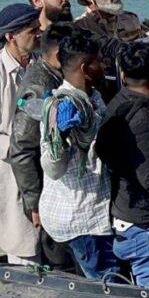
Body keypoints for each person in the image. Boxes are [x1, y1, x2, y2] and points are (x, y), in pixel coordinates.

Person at [94, 42, 149, 287]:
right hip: (147, 225)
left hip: (125, 212)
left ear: (122, 75)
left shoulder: (117, 103)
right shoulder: (143, 117)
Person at [38, 31, 120, 279]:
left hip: (94, 210)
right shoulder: (60, 106)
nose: (102, 66)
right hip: (81, 217)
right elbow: (52, 169)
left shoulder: (92, 96)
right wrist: (59, 138)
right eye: (98, 61)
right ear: (85, 68)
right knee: (107, 280)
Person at [5, 21, 77, 271]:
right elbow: (22, 148)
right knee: (60, 263)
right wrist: (34, 203)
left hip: (63, 190)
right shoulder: (40, 86)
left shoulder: (50, 74)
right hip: (51, 193)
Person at [0, 4, 43, 266]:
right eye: (32, 31)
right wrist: (19, 150)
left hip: (40, 156)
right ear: (11, 36)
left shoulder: (37, 64)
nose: (38, 35)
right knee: (22, 237)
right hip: (11, 163)